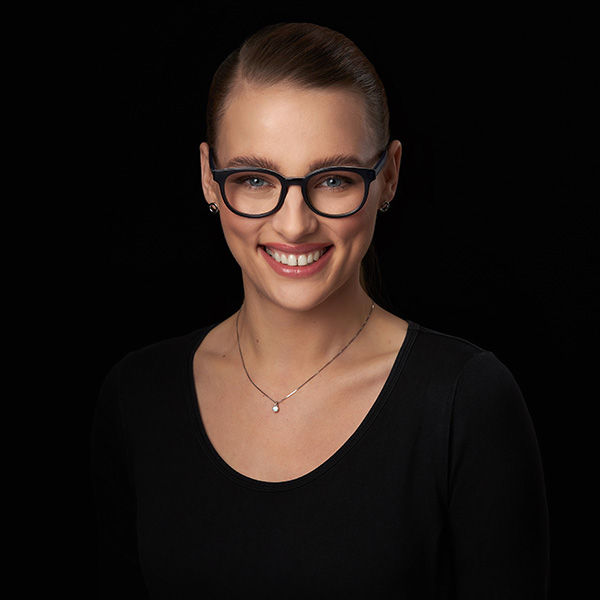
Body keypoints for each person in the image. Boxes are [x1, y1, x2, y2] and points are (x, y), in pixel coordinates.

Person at [91, 22, 549, 598]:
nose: (294, 224)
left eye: (333, 179)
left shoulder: (466, 402)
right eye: (255, 179)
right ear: (209, 178)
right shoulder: (137, 397)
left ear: (389, 176)